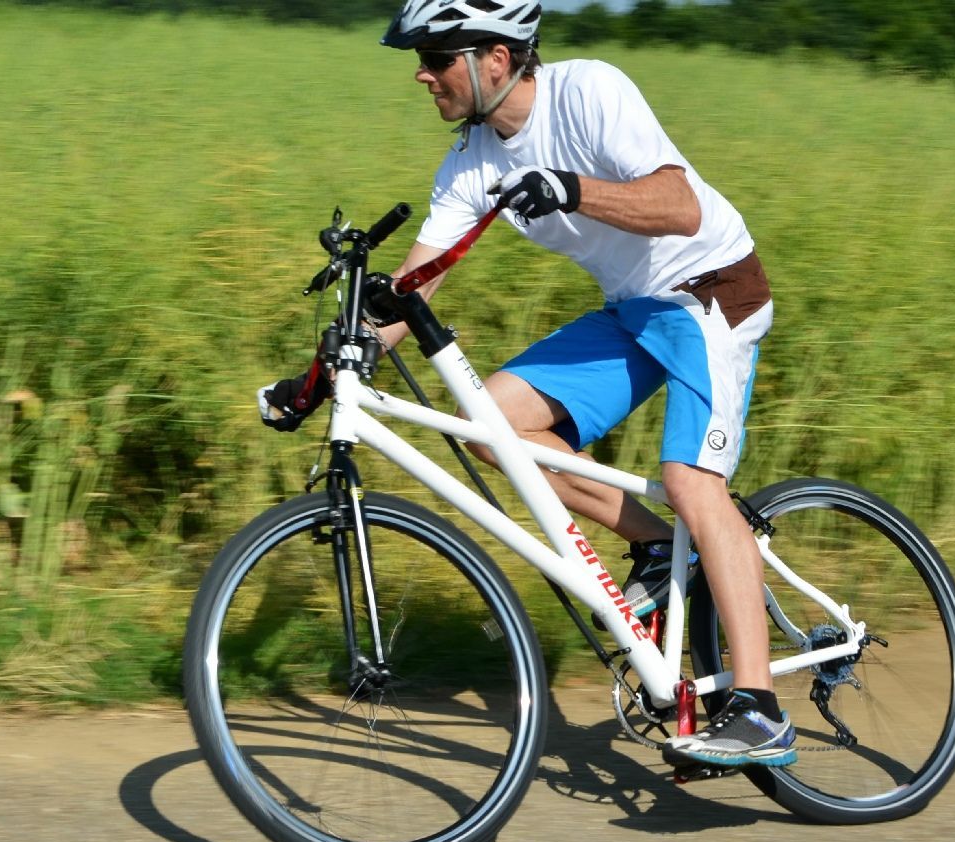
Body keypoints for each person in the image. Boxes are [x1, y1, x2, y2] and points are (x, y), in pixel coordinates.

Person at [259, 0, 795, 770]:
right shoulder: (471, 162)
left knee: (689, 478)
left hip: (710, 292)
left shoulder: (591, 91)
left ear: (497, 59)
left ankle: (759, 708)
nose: (422, 72)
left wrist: (572, 187)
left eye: (438, 57)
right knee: (488, 425)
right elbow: (416, 288)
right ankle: (658, 552)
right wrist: (320, 374)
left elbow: (679, 205)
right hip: (634, 311)